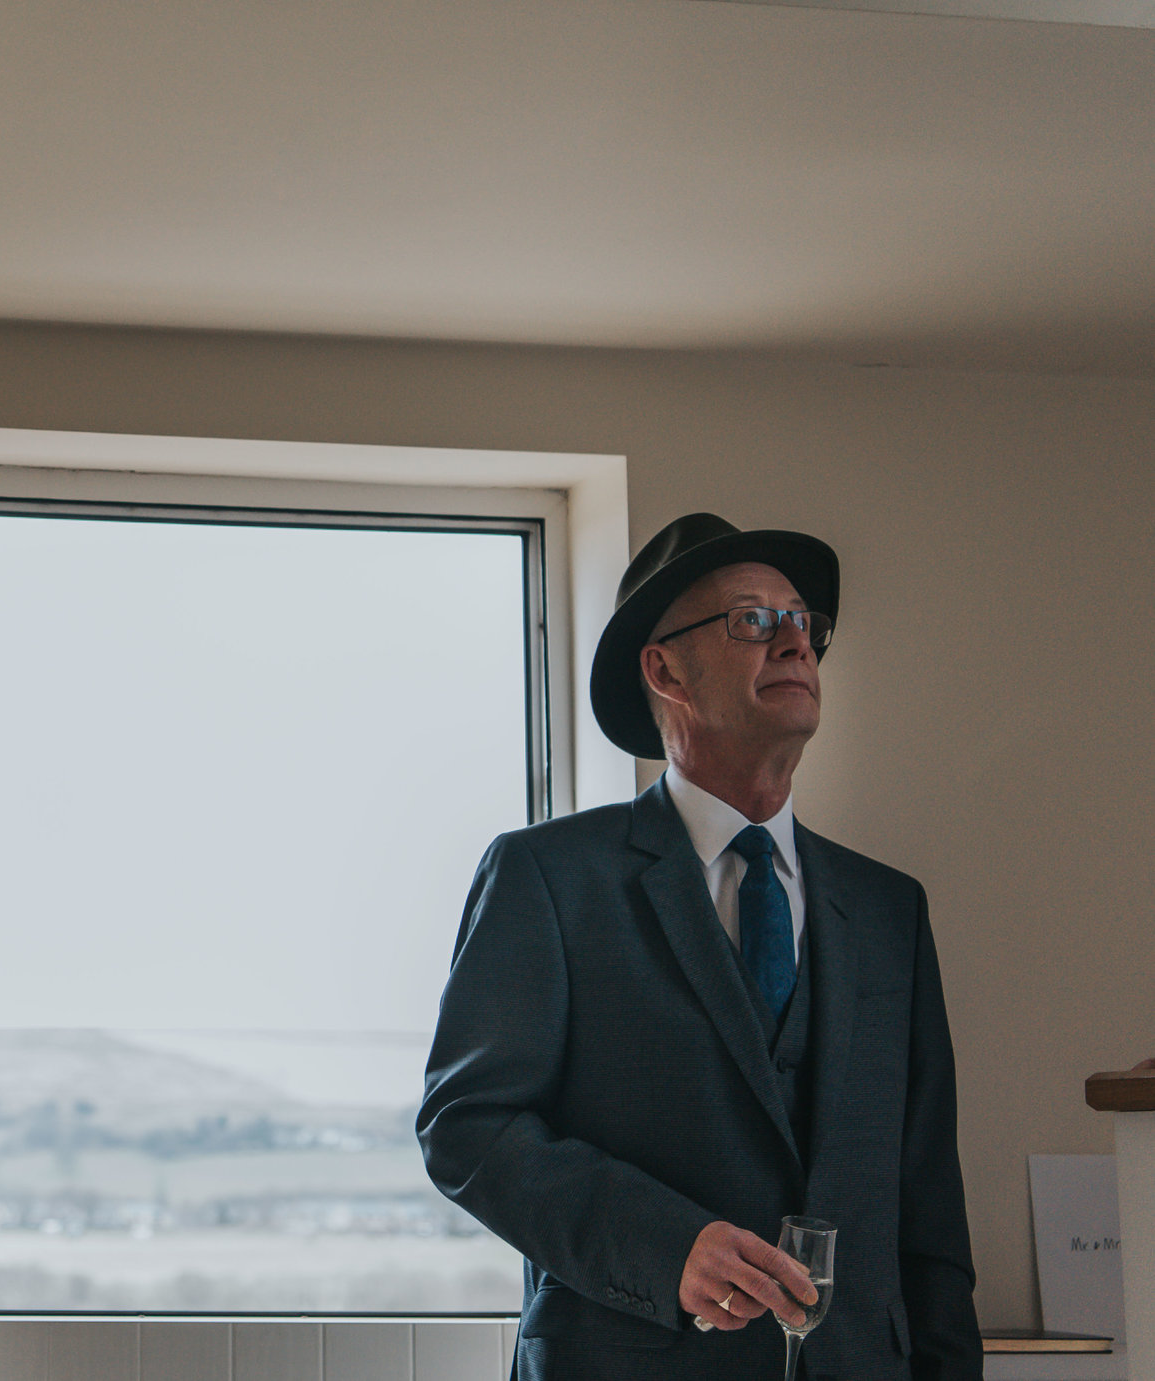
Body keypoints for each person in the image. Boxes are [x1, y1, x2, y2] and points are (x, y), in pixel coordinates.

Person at [417, 513, 981, 1380]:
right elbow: (467, 1127)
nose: (794, 640)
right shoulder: (548, 877)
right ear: (665, 667)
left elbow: (929, 1211)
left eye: (803, 621)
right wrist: (667, 1245)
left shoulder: (888, 910)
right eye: (754, 620)